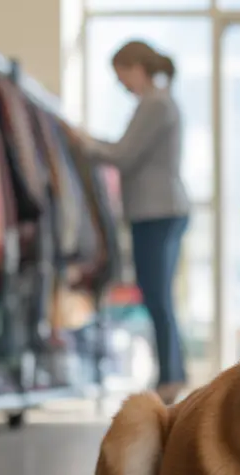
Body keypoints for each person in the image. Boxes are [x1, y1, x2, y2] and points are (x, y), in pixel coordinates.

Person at [78, 40, 190, 402]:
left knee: (157, 297)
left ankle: (170, 378)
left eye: (121, 74)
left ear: (135, 67)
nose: (121, 84)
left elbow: (123, 156)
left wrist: (83, 143)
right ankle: (172, 375)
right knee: (159, 297)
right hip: (160, 211)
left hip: (156, 212)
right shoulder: (159, 102)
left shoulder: (155, 104)